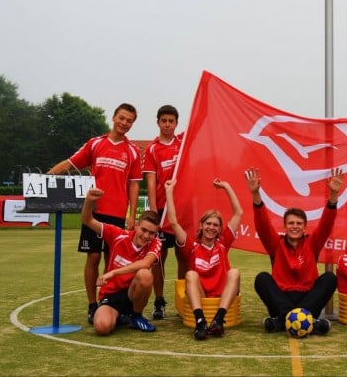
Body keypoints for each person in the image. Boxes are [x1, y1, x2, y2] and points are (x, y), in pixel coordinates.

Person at [46, 103, 142, 324]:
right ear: (114, 117)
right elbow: (70, 163)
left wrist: (132, 215)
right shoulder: (95, 143)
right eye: (122, 118)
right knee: (94, 256)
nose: (124, 123)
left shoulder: (133, 151)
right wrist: (47, 177)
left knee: (114, 261)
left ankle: (111, 302)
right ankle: (92, 305)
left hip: (118, 214)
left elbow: (134, 185)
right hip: (94, 212)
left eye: (129, 121)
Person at [248, 166, 341, 335]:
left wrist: (333, 196)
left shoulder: (312, 243)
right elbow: (262, 226)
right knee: (262, 278)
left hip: (308, 298)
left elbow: (326, 224)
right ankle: (308, 321)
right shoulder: (276, 244)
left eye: (299, 224)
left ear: (305, 227)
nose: (295, 227)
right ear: (285, 226)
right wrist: (256, 195)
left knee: (330, 278)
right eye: (291, 223)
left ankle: (281, 321)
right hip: (281, 298)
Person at [163, 177, 242, 340]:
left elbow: (238, 213)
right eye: (208, 224)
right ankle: (200, 322)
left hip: (222, 295)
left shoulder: (223, 243)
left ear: (220, 229)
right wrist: (169, 192)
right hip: (201, 294)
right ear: (200, 226)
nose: (211, 228)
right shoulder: (191, 246)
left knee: (234, 272)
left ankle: (219, 320)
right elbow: (173, 222)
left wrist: (227, 186)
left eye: (215, 225)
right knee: (190, 275)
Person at [81, 187, 161, 335]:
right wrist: (88, 201)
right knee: (102, 327)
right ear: (136, 226)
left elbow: (145, 264)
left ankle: (136, 316)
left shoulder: (156, 243)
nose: (146, 236)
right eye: (144, 230)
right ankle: (120, 316)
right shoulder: (118, 235)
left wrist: (112, 273)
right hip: (111, 295)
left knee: (145, 275)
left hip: (133, 294)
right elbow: (87, 220)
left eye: (152, 233)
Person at [142, 104, 185, 320]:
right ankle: (159, 301)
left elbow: (202, 124)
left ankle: (182, 300)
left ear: (177, 123)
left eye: (171, 121)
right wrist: (153, 209)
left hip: (183, 211)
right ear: (158, 122)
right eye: (164, 121)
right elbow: (151, 181)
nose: (167, 125)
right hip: (162, 210)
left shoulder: (184, 143)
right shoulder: (152, 148)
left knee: (184, 256)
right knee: (158, 257)